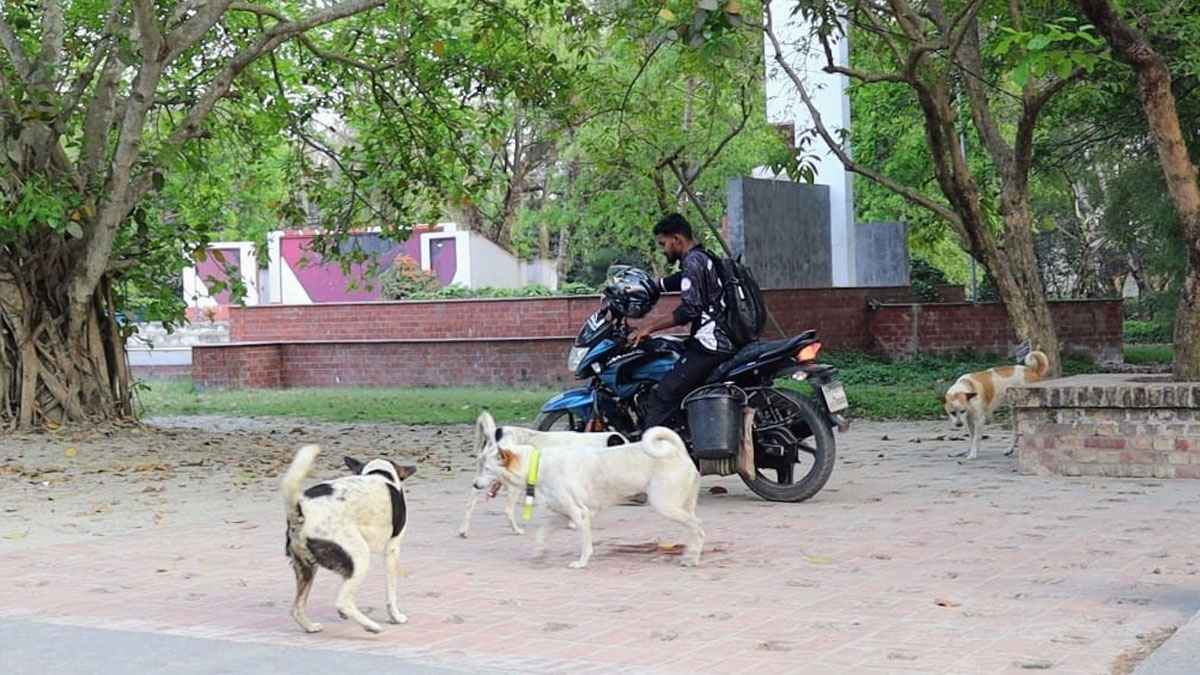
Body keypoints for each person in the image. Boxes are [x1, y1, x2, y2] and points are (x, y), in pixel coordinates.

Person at [630, 213, 735, 431]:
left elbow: (689, 309)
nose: (663, 249)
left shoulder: (693, 261)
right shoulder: (702, 257)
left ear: (677, 239)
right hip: (721, 338)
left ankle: (654, 455)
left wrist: (648, 327)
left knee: (663, 395)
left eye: (663, 243)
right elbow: (680, 281)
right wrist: (651, 285)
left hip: (712, 344)